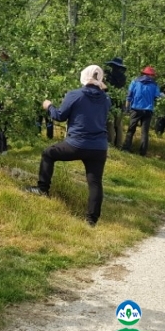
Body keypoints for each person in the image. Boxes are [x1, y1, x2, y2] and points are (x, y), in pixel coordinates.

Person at [24, 65, 111, 227]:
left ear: (83, 77)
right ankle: (91, 221)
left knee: (48, 153)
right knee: (95, 182)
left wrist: (48, 106)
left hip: (76, 144)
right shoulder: (106, 99)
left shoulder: (75, 95)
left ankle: (42, 189)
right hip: (99, 147)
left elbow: (59, 116)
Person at [121, 66, 163, 156]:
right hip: (148, 110)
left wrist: (126, 108)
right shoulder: (155, 85)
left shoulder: (134, 81)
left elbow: (129, 95)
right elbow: (157, 96)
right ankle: (143, 152)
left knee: (131, 129)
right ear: (151, 75)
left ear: (143, 73)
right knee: (144, 132)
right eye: (153, 75)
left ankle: (126, 148)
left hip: (135, 108)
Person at [104, 57, 127, 147]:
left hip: (109, 100)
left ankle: (110, 142)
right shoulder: (123, 77)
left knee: (109, 122)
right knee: (118, 124)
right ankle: (119, 144)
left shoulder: (108, 75)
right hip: (120, 100)